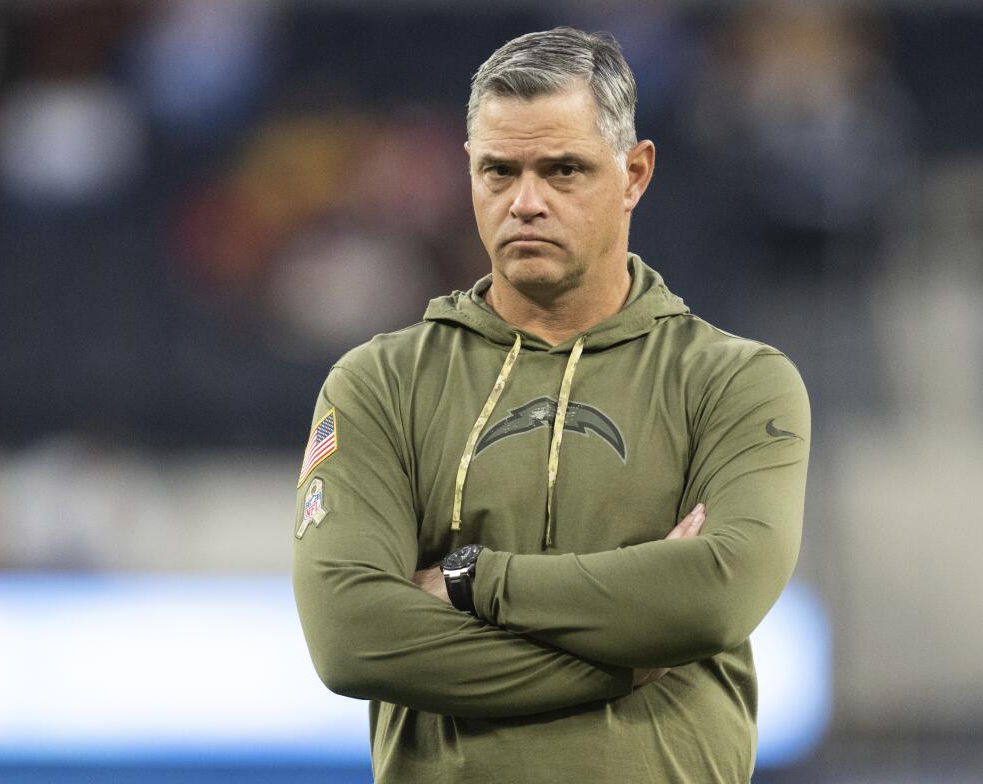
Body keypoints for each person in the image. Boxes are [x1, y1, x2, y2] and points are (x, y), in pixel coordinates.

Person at [292, 27, 810, 784]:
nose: (525, 202)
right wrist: (620, 664)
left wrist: (469, 578)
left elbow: (716, 593)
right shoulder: (380, 383)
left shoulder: (734, 382)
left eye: (563, 169)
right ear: (468, 173)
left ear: (633, 173)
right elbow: (351, 637)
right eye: (499, 171)